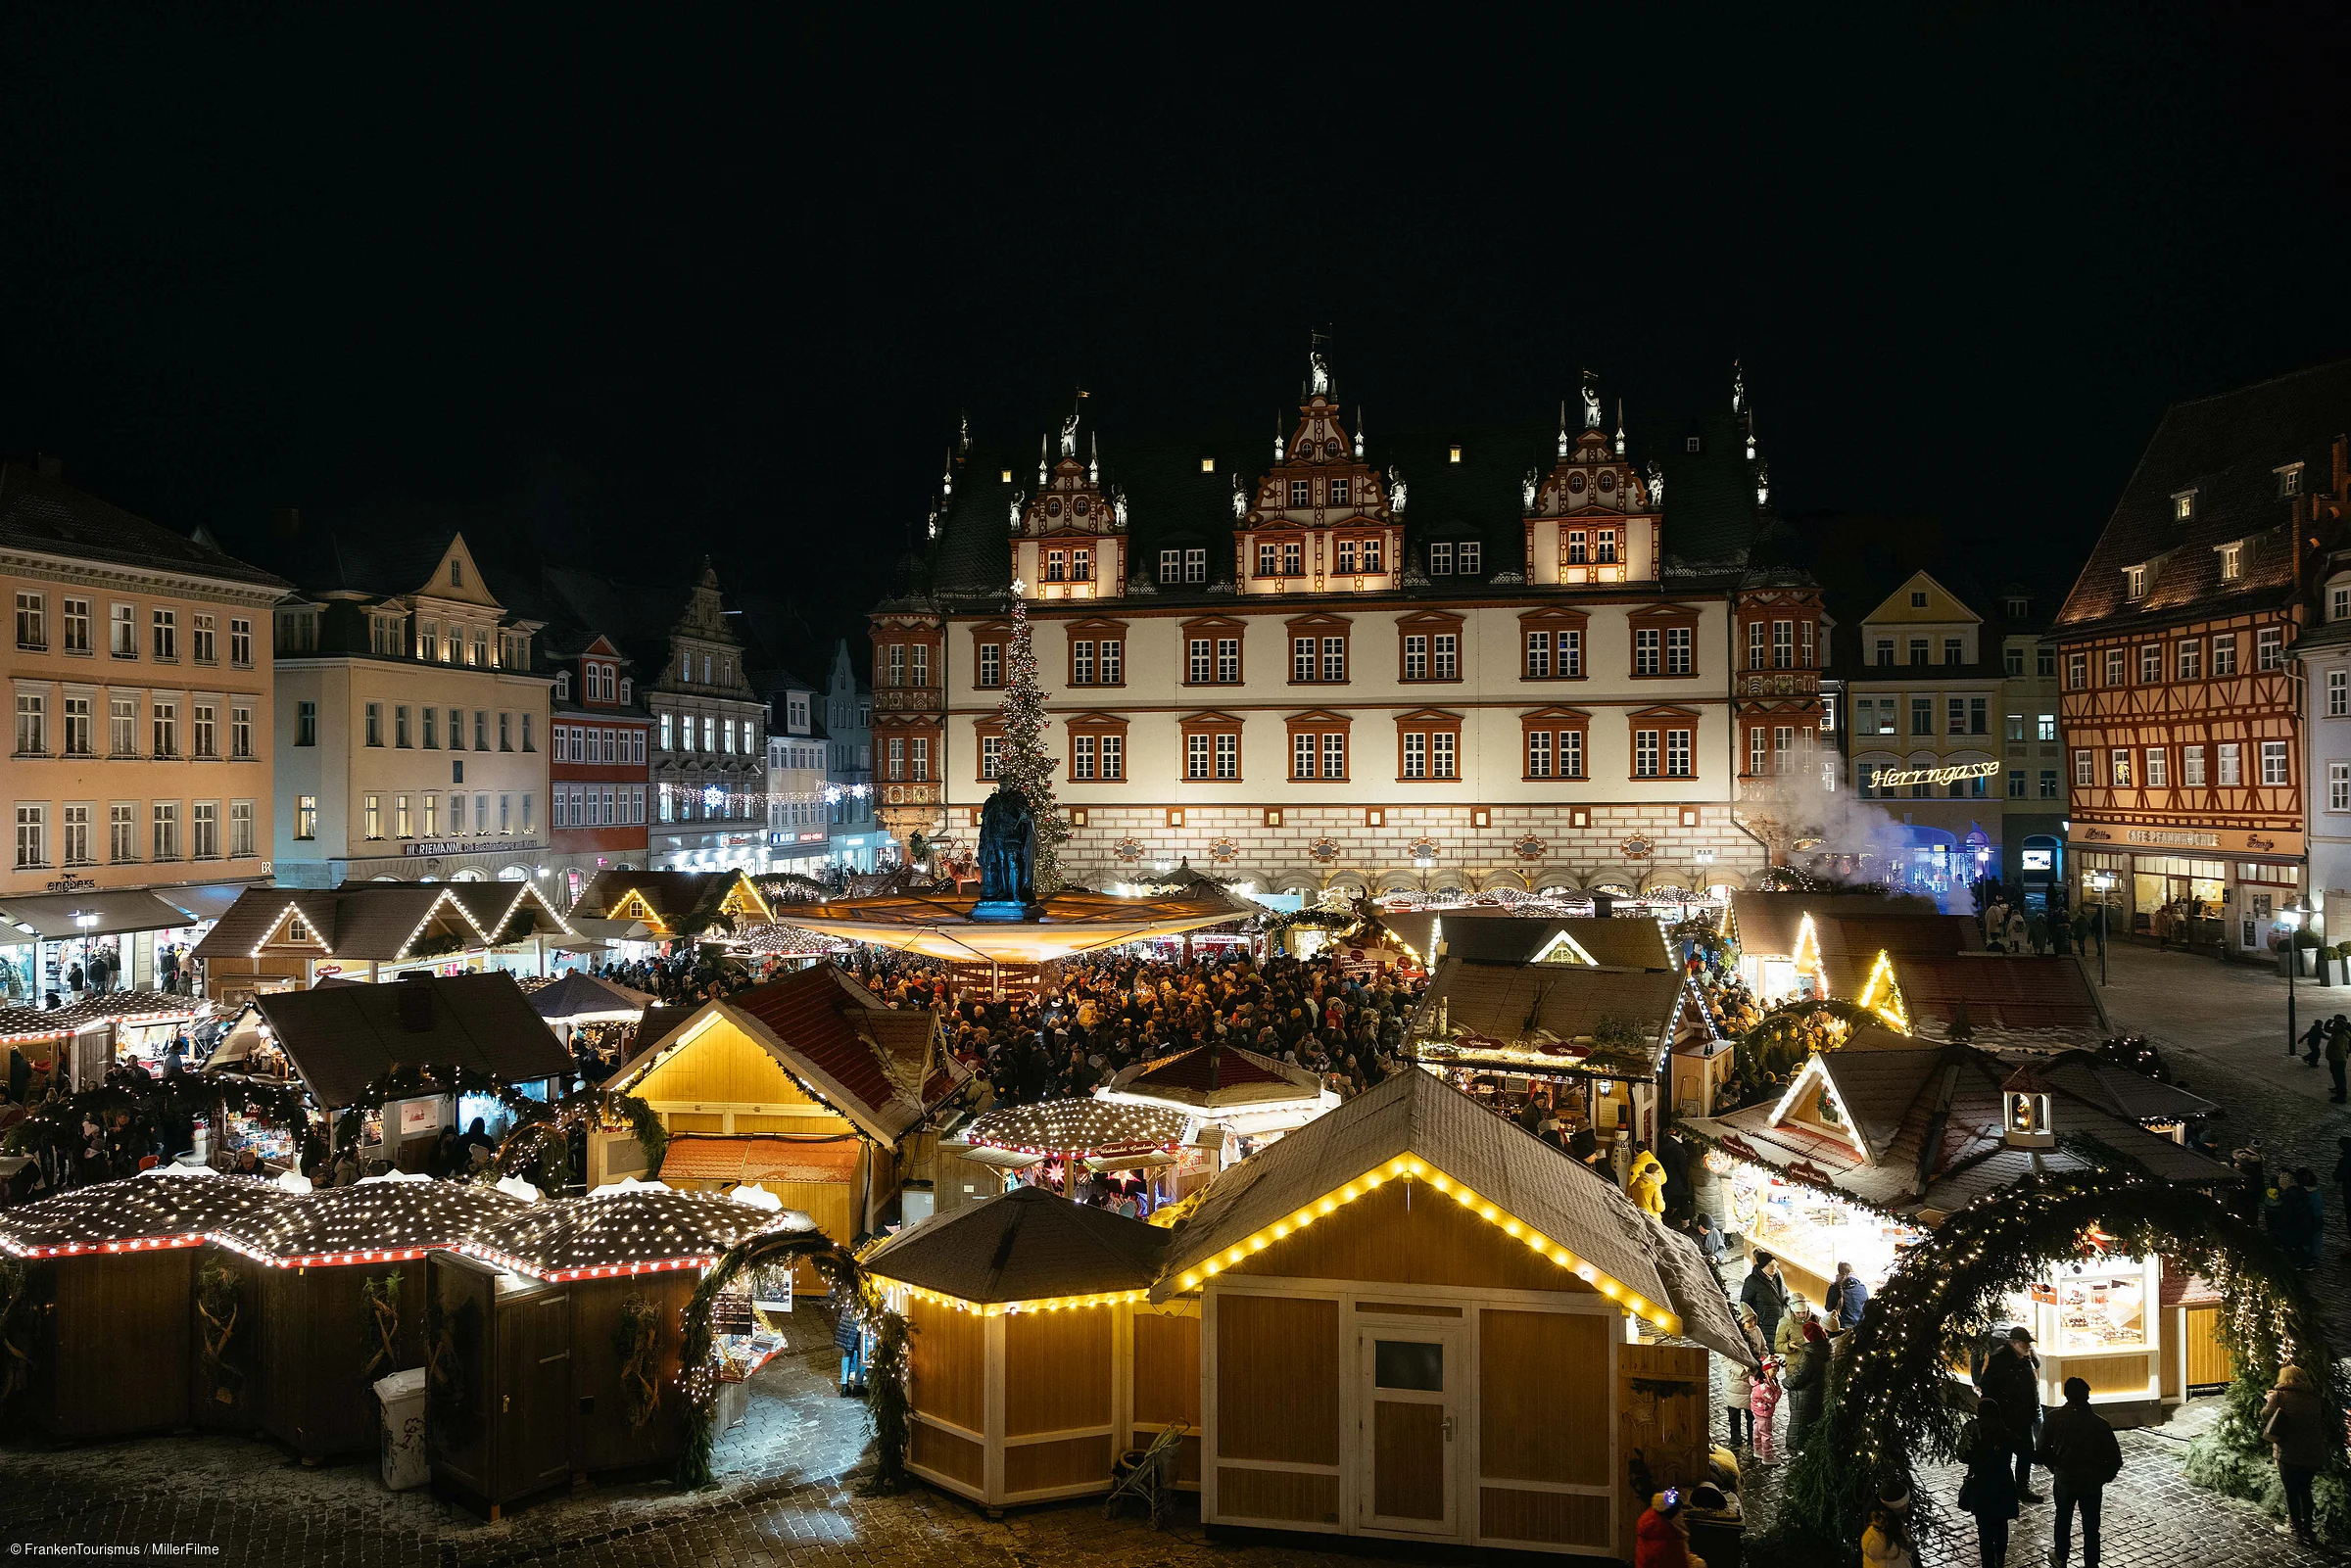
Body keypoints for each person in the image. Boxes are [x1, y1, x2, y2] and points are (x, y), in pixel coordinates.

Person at [2039, 1374, 2121, 1568]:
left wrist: (2056, 1468)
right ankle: (2091, 1562)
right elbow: (2115, 1459)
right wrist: (2102, 1478)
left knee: (2063, 1518)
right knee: (2092, 1525)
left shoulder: (2053, 1419)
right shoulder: (2100, 1424)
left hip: (2065, 1479)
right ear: (2087, 1397)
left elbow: (2041, 1450)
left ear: (2066, 1395)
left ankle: (2060, 1555)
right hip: (2091, 1482)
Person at [1975, 1325, 2046, 1501]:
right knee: (2005, 1455)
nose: (2028, 1347)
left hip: (2024, 1417)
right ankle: (2006, 1488)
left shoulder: (2024, 1359)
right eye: (2025, 1343)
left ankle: (2022, 1487)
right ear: (2014, 1343)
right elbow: (1988, 1386)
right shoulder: (2000, 1360)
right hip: (2007, 1419)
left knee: (2025, 1455)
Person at [2264, 1363, 2327, 1547]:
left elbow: (2265, 1415)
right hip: (2312, 1453)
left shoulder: (2279, 1396)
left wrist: (2268, 1400)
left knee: (2292, 1492)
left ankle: (2295, 1529)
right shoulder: (2314, 1398)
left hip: (2289, 1453)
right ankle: (2309, 1530)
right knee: (2305, 1491)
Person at [1960, 1394, 2023, 1566]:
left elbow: (1962, 1456)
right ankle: (2000, 1559)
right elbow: (2024, 1452)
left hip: (1980, 1484)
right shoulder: (2005, 1431)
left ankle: (1988, 1563)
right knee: (2001, 1526)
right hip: (2003, 1483)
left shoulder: (1971, 1428)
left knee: (1984, 1529)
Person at [1782, 1319, 1829, 1448]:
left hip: (1804, 1399)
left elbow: (1796, 1379)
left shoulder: (1809, 1356)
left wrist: (1784, 1381)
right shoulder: (1824, 1351)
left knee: (1799, 1433)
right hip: (1816, 1396)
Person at [1633, 1490, 1704, 1568]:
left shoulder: (1652, 1529)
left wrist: (1689, 1557)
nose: (1682, 1515)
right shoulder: (1668, 1541)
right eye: (1679, 1512)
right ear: (1673, 1516)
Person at [1860, 1485, 1916, 1568]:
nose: (1907, 1505)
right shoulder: (1890, 1550)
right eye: (1905, 1503)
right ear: (1898, 1505)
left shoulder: (1878, 1524)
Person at [1739, 1252, 1788, 1346]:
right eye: (1770, 1266)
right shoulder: (1752, 1281)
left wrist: (1788, 1301)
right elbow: (1745, 1303)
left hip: (1779, 1320)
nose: (1773, 1268)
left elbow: (1784, 1292)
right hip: (1763, 1323)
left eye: (1775, 1265)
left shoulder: (1778, 1276)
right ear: (1762, 1267)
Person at [1746, 1357, 1780, 1461]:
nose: (1775, 1373)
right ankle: (1767, 1456)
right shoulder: (1763, 1386)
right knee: (1766, 1433)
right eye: (1773, 1370)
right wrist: (1778, 1391)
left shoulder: (1761, 1381)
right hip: (1764, 1412)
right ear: (1765, 1370)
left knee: (1757, 1429)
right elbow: (1772, 1398)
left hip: (1758, 1411)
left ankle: (1758, 1449)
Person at [1825, 1259, 1869, 1330]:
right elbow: (1867, 1306)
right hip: (1860, 1326)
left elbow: (1829, 1308)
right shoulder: (1861, 1287)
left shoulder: (1834, 1288)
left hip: (1842, 1326)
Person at [2327, 1015, 2350, 1104]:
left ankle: (2341, 1096)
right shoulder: (2339, 1033)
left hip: (2338, 1059)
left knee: (2339, 1077)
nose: (2334, 1026)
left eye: (2335, 1025)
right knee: (2338, 1076)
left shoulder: (2341, 1036)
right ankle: (2340, 1093)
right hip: (2337, 1058)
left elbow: (2340, 1049)